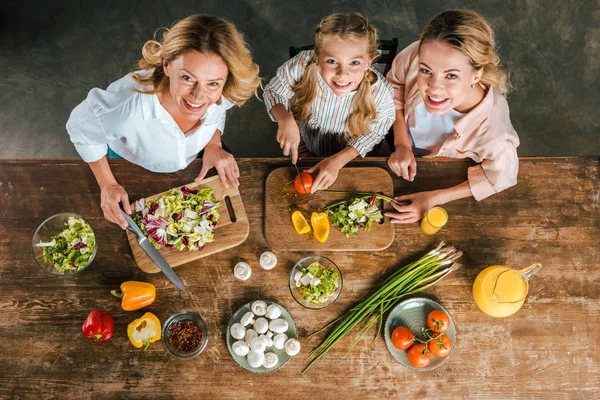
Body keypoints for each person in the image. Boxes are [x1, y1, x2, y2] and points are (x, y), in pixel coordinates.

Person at [67, 14, 261, 229]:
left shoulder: (226, 89)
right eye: (188, 78)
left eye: (212, 84)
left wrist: (214, 144)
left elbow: (217, 112)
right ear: (167, 65)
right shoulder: (124, 109)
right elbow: (79, 128)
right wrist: (108, 183)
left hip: (197, 157)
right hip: (133, 162)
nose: (198, 96)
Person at [385, 9, 519, 223]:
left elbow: (501, 177)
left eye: (451, 75)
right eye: (426, 71)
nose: (434, 88)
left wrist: (433, 198)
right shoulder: (415, 53)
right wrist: (402, 145)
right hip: (393, 144)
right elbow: (394, 86)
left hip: (439, 172)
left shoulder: (495, 136)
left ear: (477, 74)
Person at [263, 12, 396, 193]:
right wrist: (284, 118)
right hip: (311, 145)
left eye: (354, 62)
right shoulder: (301, 66)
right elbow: (273, 91)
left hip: (358, 155)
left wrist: (339, 160)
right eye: (332, 61)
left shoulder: (380, 93)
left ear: (369, 62)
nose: (342, 74)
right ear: (317, 58)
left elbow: (377, 132)